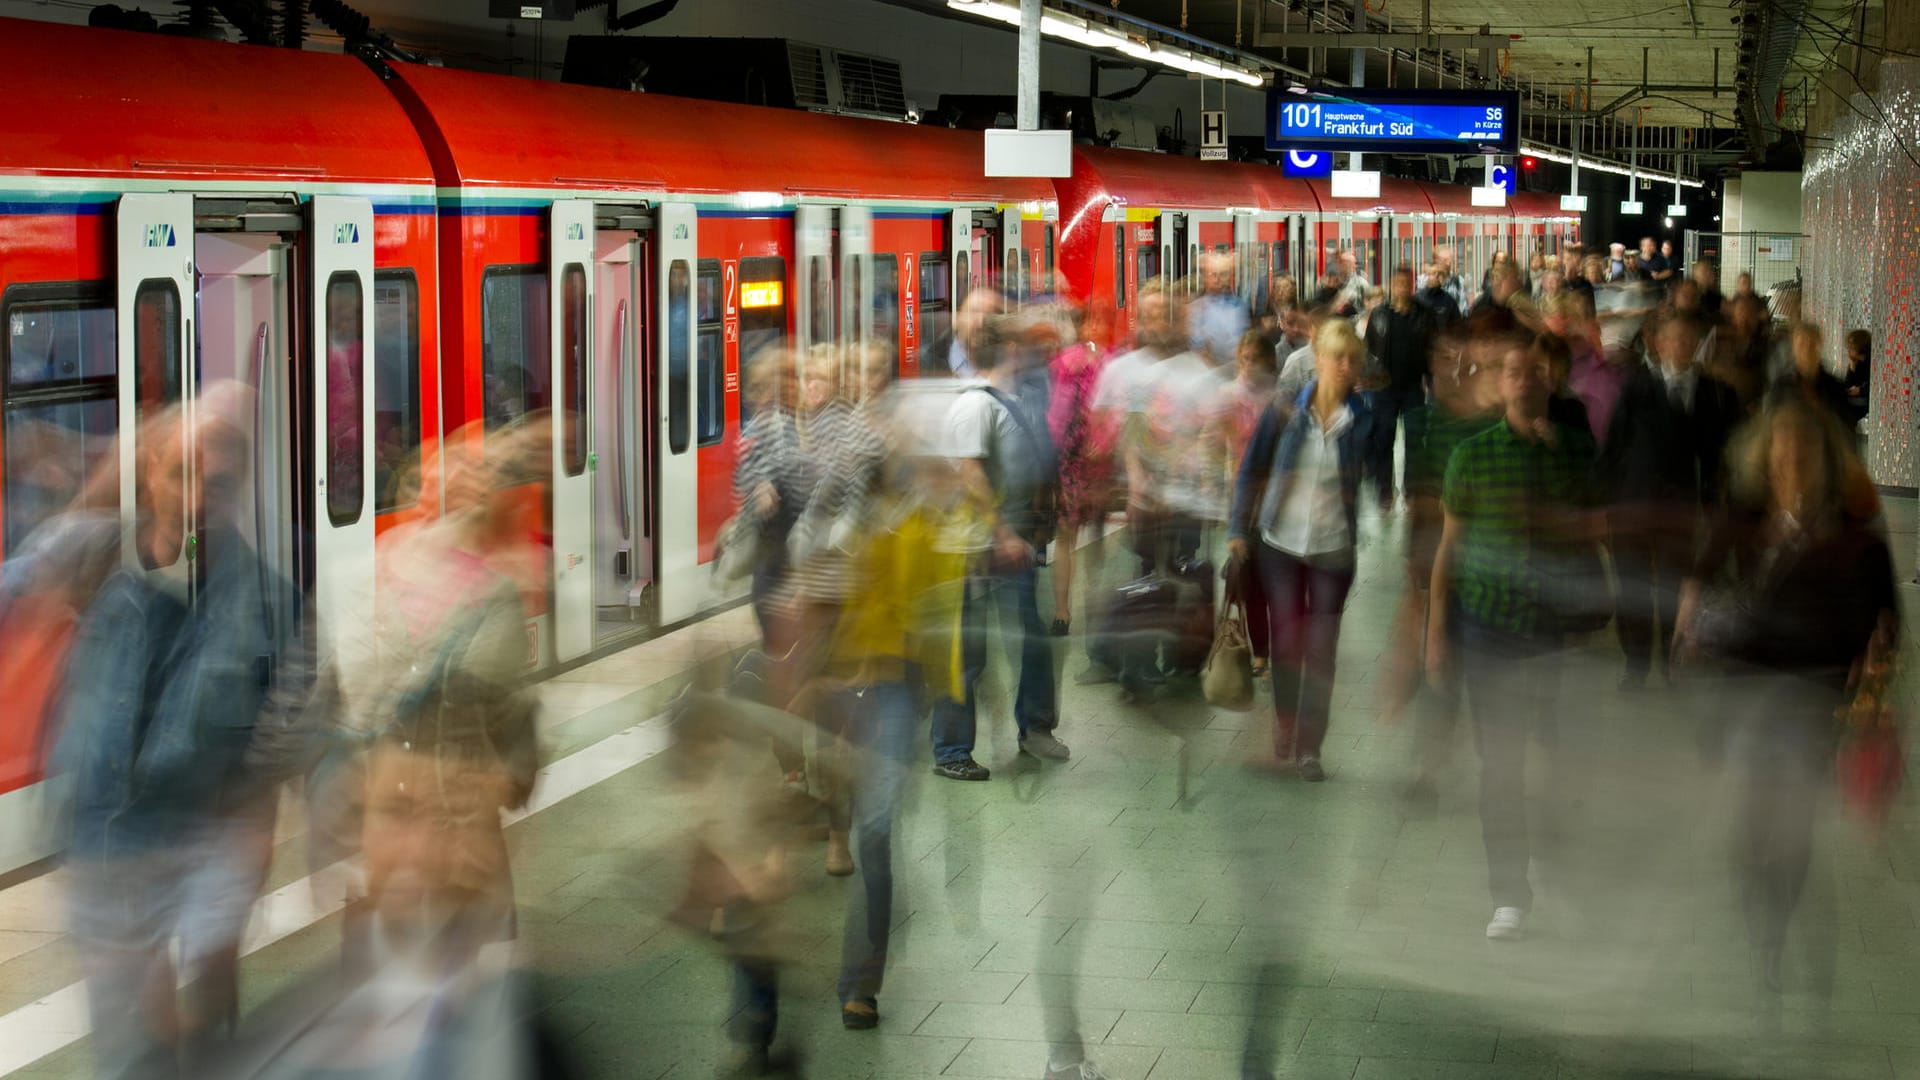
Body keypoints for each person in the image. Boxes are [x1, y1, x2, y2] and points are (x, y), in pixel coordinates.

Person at [57, 397, 317, 1080]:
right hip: (106, 854)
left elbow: (278, 752)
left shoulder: (277, 606)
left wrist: (229, 906)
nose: (198, 499)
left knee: (203, 1026)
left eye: (221, 484)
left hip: (209, 839)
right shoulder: (93, 564)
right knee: (131, 1051)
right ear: (149, 473)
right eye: (181, 474)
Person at [1675, 395, 1897, 993]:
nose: (1791, 457)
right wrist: (1692, 623)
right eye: (1781, 446)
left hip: (1814, 697)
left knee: (1794, 828)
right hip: (1748, 695)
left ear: (1825, 458)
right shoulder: (1743, 522)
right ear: (1764, 457)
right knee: (1752, 828)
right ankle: (1762, 920)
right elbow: (1698, 583)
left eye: (1802, 448)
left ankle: (1776, 933)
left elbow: (1887, 612)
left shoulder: (1854, 535)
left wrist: (1875, 661)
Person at [1427, 335, 1599, 942]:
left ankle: (1553, 860)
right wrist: (1435, 636)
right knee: (1501, 765)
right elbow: (1449, 549)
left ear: (1547, 383)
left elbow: (1600, 522)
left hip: (1552, 630)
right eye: (1513, 373)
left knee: (1553, 760)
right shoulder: (1472, 456)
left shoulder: (1575, 452)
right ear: (1500, 385)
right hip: (1489, 629)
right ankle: (1509, 893)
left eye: (1534, 373)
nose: (1523, 381)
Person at [1227, 319, 1373, 783]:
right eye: (1338, 357)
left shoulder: (1362, 416)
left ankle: (1311, 746)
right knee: (1288, 642)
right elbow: (1251, 470)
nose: (1346, 367)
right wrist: (1236, 527)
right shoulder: (1284, 409)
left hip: (1333, 549)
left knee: (1322, 650)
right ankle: (1286, 721)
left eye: (1354, 359)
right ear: (1320, 360)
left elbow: (1364, 474)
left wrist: (1350, 496)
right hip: (1281, 545)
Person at [932, 316, 1064, 781]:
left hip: (1008, 542)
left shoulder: (1011, 400)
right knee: (967, 652)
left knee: (1029, 635)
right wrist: (1003, 532)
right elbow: (969, 473)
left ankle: (1035, 726)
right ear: (1008, 348)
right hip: (975, 547)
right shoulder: (975, 406)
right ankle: (950, 750)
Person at [1598, 312, 1740, 690]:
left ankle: (1674, 658)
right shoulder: (1636, 388)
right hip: (1635, 504)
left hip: (1685, 510)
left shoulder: (1717, 394)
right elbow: (1614, 447)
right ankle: (1637, 664)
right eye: (1671, 339)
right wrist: (1606, 505)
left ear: (1696, 345)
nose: (1679, 345)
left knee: (1680, 587)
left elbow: (1728, 458)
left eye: (1687, 339)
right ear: (1657, 344)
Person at [1208, 330, 1282, 676]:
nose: (1250, 366)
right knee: (1249, 578)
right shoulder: (1225, 396)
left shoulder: (1280, 400)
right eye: (1245, 358)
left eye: (1257, 359)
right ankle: (1260, 653)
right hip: (1242, 497)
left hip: (1276, 499)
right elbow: (1213, 442)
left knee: (1277, 576)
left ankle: (1279, 644)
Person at [1046, 303, 1114, 638]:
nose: (1096, 327)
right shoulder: (1067, 363)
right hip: (1073, 462)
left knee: (1092, 537)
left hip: (1095, 463)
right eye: (1091, 321)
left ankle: (1092, 604)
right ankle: (1063, 611)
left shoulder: (1109, 363)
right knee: (1067, 536)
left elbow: (1117, 410)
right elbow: (1055, 414)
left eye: (1100, 321)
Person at [1363, 266, 1437, 511]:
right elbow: (1369, 350)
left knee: (1414, 441)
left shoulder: (1424, 315)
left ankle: (1411, 490)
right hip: (1384, 389)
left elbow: (1433, 349)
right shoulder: (1380, 315)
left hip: (1414, 388)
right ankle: (1385, 490)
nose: (1402, 288)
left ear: (1412, 285)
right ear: (1391, 286)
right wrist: (1369, 379)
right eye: (1397, 283)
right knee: (1384, 439)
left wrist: (1433, 380)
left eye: (1406, 283)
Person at [1770, 322, 1853, 424]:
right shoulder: (1781, 387)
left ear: (1820, 346)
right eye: (1802, 345)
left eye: (1812, 344)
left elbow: (1848, 428)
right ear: (1793, 348)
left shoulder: (1835, 387)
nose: (1806, 351)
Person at [922, 288, 1001, 378]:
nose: (981, 322)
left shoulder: (1003, 360)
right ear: (957, 318)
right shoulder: (927, 363)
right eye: (974, 312)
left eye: (988, 315)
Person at [1189, 251, 1251, 365]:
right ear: (1205, 277)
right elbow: (1196, 347)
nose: (1218, 279)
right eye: (1213, 274)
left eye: (1223, 274)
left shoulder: (1240, 306)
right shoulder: (1196, 309)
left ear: (1230, 276)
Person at [1415, 262, 1463, 329]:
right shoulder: (1417, 299)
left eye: (1440, 274)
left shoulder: (1449, 301)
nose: (1437, 276)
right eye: (1433, 273)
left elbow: (1458, 326)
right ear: (1427, 275)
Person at [1844, 328, 1872, 429]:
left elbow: (1875, 386)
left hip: (1867, 400)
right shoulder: (1857, 362)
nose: (1849, 349)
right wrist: (1852, 366)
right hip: (1859, 398)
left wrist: (1860, 390)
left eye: (1851, 347)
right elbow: (1847, 385)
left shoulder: (1872, 361)